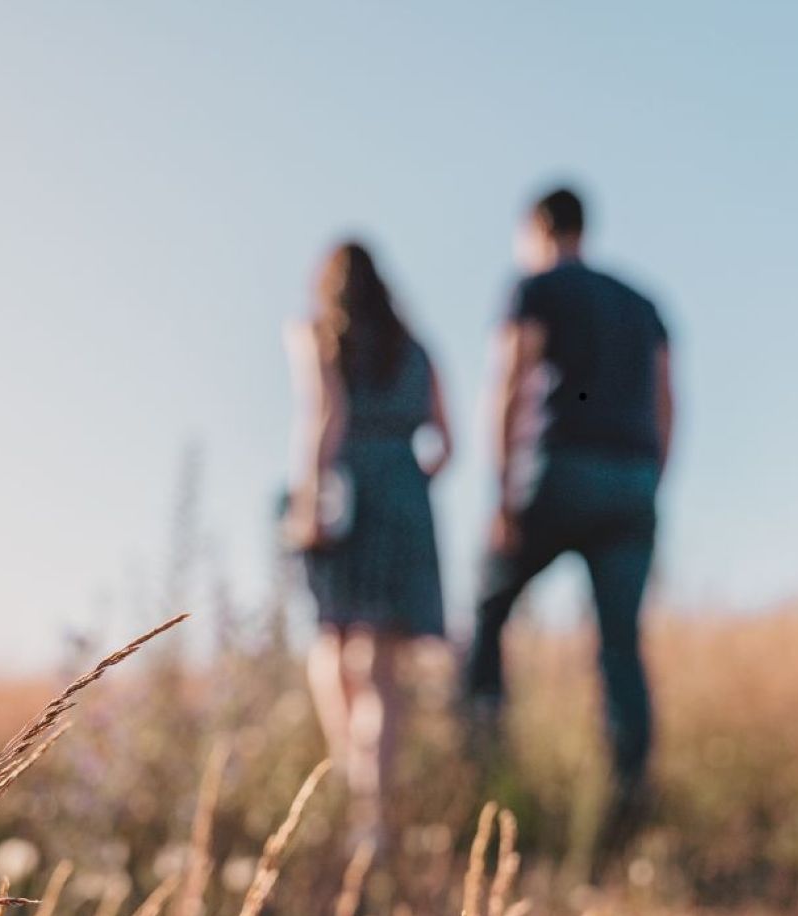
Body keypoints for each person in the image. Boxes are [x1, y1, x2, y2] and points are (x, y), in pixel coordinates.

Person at [462, 185, 676, 870]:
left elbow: (509, 380)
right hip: (634, 479)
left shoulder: (534, 287)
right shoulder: (643, 305)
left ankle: (485, 768)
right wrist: (651, 483)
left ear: (538, 229)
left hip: (560, 470)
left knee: (489, 608)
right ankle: (629, 793)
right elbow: (668, 402)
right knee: (620, 642)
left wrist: (500, 492)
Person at [286, 241, 453, 852]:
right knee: (382, 667)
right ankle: (374, 817)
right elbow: (446, 441)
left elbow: (322, 415)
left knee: (332, 639)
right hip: (406, 495)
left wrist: (309, 501)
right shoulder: (417, 348)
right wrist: (406, 488)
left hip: (346, 492)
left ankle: (352, 784)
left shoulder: (316, 334)